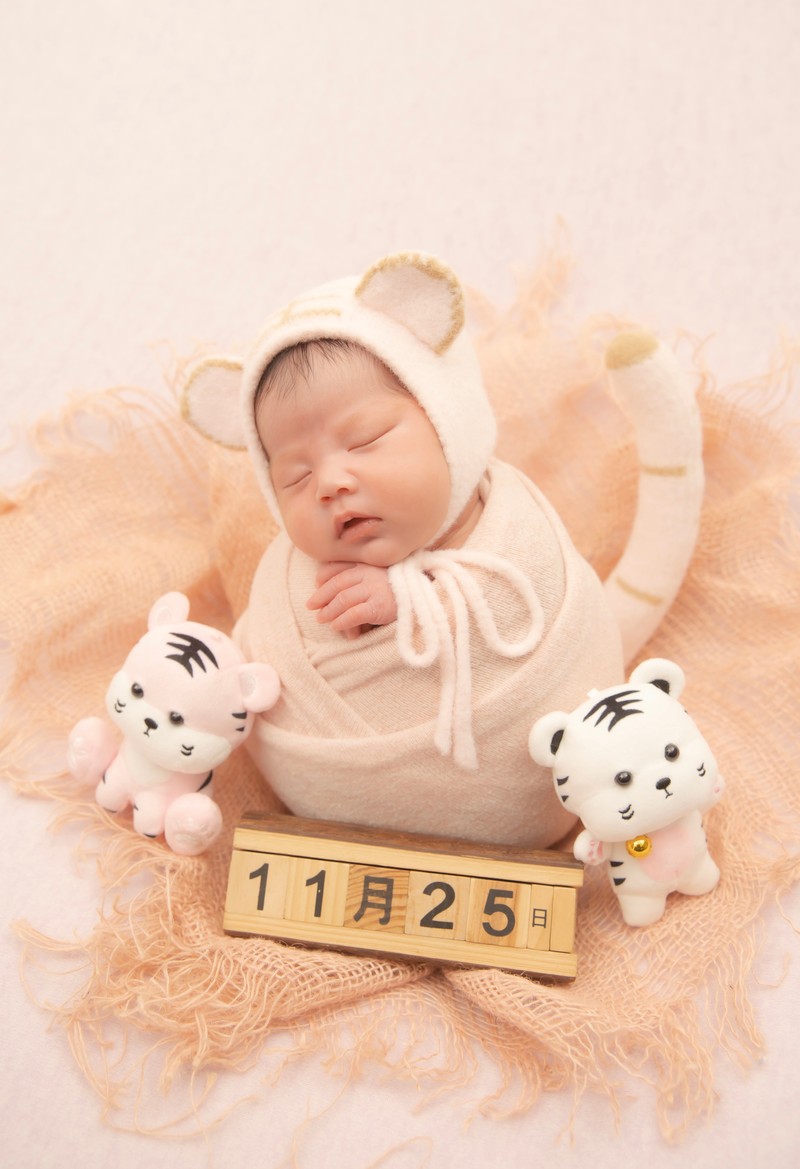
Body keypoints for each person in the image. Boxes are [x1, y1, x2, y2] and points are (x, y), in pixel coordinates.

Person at [182, 252, 703, 847]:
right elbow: (263, 670)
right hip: (335, 821)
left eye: (366, 439)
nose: (329, 482)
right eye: (294, 477)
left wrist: (411, 601)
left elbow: (523, 601)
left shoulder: (514, 525)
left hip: (522, 802)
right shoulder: (286, 585)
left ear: (446, 419)